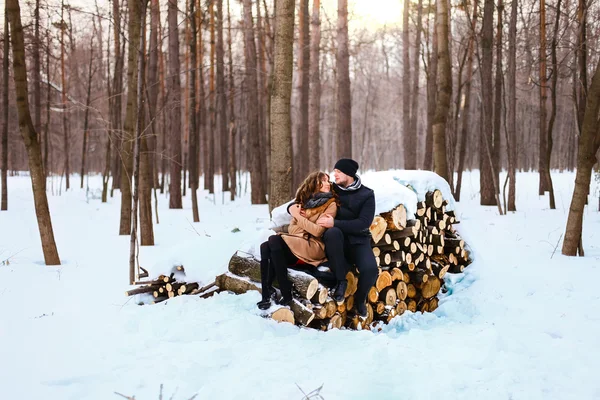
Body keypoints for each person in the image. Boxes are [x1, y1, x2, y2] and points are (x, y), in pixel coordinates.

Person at [257, 171, 338, 310]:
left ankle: (284, 290)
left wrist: (298, 216)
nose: (328, 184)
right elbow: (292, 230)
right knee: (265, 247)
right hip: (298, 242)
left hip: (315, 246)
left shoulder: (331, 205)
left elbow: (318, 231)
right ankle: (267, 293)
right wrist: (305, 224)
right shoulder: (303, 203)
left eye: (328, 181)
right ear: (314, 185)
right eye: (323, 181)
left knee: (273, 240)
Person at [316, 158, 378, 318]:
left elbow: (363, 223)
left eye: (338, 171)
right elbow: (306, 195)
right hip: (337, 241)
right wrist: (293, 207)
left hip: (359, 241)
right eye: (334, 171)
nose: (334, 174)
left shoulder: (367, 194)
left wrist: (335, 222)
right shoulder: (332, 189)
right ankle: (341, 281)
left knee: (371, 270)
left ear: (349, 174)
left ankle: (360, 299)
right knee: (333, 232)